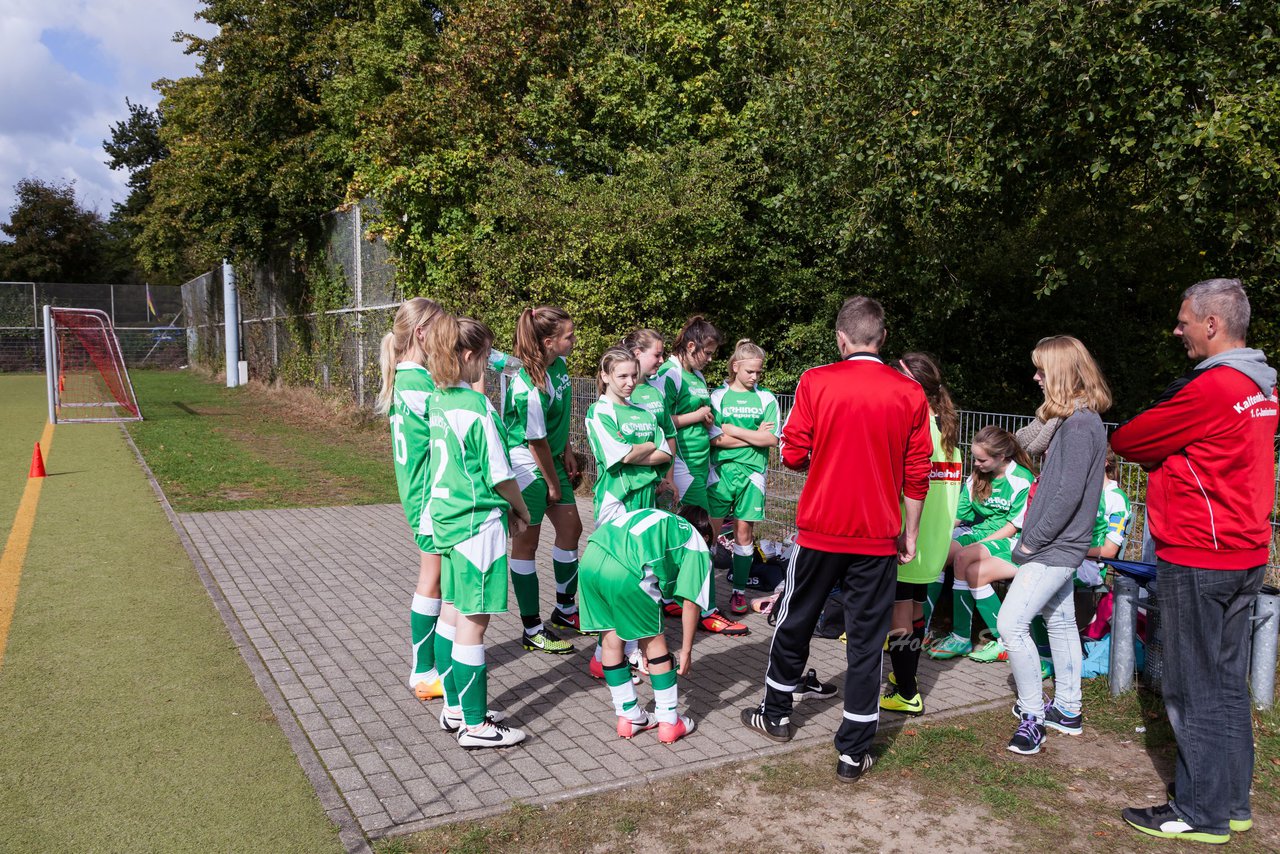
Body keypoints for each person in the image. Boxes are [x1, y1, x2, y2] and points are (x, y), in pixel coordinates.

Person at [739, 295, 932, 783]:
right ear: (882, 338)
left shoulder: (817, 380)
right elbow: (917, 473)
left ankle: (776, 713)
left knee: (795, 619)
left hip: (821, 529)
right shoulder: (909, 393)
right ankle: (853, 752)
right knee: (867, 642)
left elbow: (793, 453)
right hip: (877, 536)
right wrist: (909, 532)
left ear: (841, 339)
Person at [1112, 279, 1277, 843]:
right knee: (1227, 682)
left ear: (1212, 324)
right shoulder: (1262, 385)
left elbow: (1131, 439)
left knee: (1190, 685)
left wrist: (1171, 447)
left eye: (1183, 320)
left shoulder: (1211, 389)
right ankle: (1230, 803)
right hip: (1245, 550)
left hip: (1200, 553)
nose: (1176, 329)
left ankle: (1199, 811)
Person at [425, 314, 532, 748]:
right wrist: (519, 508)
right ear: (468, 356)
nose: (486, 365)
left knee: (451, 612)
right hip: (476, 522)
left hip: (447, 519)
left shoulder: (439, 398)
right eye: (485, 357)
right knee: (475, 622)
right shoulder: (475, 407)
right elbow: (500, 473)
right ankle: (476, 727)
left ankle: (455, 710)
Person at [999, 335, 1109, 755]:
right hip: (1058, 545)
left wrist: (1030, 545)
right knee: (1060, 623)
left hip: (1054, 547)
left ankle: (1033, 718)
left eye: (1042, 370)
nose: (1036, 377)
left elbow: (1065, 496)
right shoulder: (1067, 420)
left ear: (1060, 373)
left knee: (1011, 625)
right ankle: (1067, 708)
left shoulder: (1080, 425)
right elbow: (1027, 446)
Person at [578, 506, 714, 743]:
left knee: (611, 640)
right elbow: (692, 604)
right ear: (707, 536)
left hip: (591, 557)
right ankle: (669, 721)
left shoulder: (661, 517)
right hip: (626, 570)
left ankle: (629, 716)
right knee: (653, 640)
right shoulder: (696, 543)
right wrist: (687, 650)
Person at [652, 316, 748, 635]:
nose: (709, 358)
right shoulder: (669, 372)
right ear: (691, 346)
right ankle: (706, 610)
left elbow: (703, 420)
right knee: (700, 536)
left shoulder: (696, 374)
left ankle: (670, 597)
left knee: (685, 535)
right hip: (680, 465)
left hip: (699, 464)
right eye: (707, 352)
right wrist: (696, 416)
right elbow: (659, 419)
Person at [375, 297, 450, 702]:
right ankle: (423, 671)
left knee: (436, 580)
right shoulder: (419, 384)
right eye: (440, 329)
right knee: (432, 581)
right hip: (429, 499)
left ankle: (431, 665)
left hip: (420, 495)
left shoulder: (408, 379)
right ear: (422, 333)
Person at [880, 352, 962, 717]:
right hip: (931, 544)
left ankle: (908, 692)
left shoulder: (914, 429)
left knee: (898, 616)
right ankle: (902, 681)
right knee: (912, 610)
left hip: (906, 540)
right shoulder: (946, 433)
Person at [503, 306, 580, 654]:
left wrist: (566, 448)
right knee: (526, 545)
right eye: (569, 336)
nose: (574, 340)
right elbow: (534, 441)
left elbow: (557, 421)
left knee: (571, 530)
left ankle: (565, 610)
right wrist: (551, 484)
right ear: (549, 342)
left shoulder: (558, 367)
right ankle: (532, 628)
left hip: (551, 459)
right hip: (527, 467)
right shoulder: (527, 388)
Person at [927, 427, 1035, 663]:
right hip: (978, 533)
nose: (975, 463)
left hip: (1009, 540)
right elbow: (959, 514)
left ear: (1002, 456)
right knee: (938, 554)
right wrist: (937, 535)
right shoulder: (977, 476)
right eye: (975, 458)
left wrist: (976, 545)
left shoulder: (1022, 480)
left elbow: (1012, 527)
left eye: (981, 459)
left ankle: (966, 636)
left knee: (963, 558)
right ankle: (920, 628)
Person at [708, 339, 781, 616]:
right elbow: (715, 441)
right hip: (721, 473)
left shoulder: (767, 398)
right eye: (750, 371)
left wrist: (731, 430)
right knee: (709, 535)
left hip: (752, 476)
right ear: (735, 367)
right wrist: (754, 437)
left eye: (759, 372)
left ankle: (738, 593)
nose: (755, 377)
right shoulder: (718, 396)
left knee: (743, 535)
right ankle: (705, 594)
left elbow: (771, 439)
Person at [584, 347, 672, 523]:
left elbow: (665, 454)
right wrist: (650, 445)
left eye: (633, 375)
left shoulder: (645, 410)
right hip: (617, 497)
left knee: (645, 549)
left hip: (648, 494)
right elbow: (623, 455)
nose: (631, 382)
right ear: (605, 376)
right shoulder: (600, 411)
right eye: (622, 376)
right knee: (616, 549)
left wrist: (632, 452)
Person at [622, 329, 678, 508]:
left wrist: (668, 479)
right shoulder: (620, 394)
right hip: (630, 485)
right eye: (657, 355)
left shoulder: (657, 390)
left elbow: (669, 435)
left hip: (659, 485)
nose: (662, 360)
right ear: (637, 353)